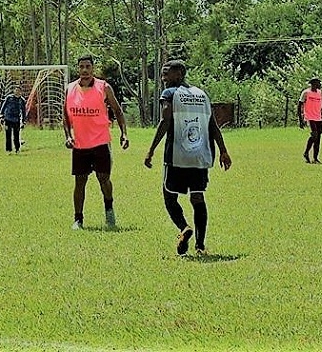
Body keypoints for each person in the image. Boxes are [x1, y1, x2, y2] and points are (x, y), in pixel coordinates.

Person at [144, 60, 232, 256]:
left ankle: (184, 228)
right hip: (200, 155)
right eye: (162, 74)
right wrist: (223, 151)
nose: (163, 78)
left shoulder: (169, 94)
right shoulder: (202, 95)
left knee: (169, 196)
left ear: (179, 74)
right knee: (198, 197)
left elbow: (165, 120)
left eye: (167, 74)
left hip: (177, 157)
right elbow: (213, 126)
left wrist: (151, 150)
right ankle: (200, 246)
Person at [63, 55, 129, 230]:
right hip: (80, 145)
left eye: (88, 67)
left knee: (104, 179)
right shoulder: (70, 89)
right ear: (78, 69)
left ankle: (109, 209)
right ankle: (78, 219)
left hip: (100, 143)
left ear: (93, 68)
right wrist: (68, 136)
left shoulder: (103, 87)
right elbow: (65, 117)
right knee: (80, 181)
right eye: (81, 67)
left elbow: (118, 111)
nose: (84, 70)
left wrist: (124, 134)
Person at [298, 77, 322, 163]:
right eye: (318, 83)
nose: (320, 84)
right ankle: (306, 153)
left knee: (318, 138)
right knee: (314, 135)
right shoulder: (306, 93)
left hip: (318, 117)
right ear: (313, 84)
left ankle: (315, 158)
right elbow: (299, 105)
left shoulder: (320, 93)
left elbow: (320, 105)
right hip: (309, 117)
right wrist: (300, 119)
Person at [0, 85, 27, 154]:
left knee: (16, 135)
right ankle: (8, 150)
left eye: (19, 91)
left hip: (16, 120)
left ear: (21, 92)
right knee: (8, 135)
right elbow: (4, 106)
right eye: (16, 90)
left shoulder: (22, 100)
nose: (17, 92)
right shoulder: (9, 98)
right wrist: (1, 115)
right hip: (8, 118)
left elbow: (23, 111)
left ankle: (17, 149)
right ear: (14, 91)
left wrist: (23, 121)